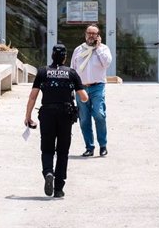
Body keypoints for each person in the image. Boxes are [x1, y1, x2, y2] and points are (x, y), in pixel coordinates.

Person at [24, 44, 88, 198]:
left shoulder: (43, 72)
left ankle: (48, 172)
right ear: (65, 57)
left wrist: (28, 116)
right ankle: (59, 188)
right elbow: (84, 97)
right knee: (62, 151)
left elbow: (33, 96)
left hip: (47, 113)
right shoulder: (71, 73)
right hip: (65, 114)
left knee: (47, 149)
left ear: (52, 56)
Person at [71, 24, 112, 157]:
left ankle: (103, 145)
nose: (91, 36)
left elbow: (107, 63)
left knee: (99, 114)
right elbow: (73, 69)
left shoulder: (104, 49)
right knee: (84, 119)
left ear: (98, 35)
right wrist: (72, 88)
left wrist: (98, 48)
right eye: (89, 33)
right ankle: (89, 147)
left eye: (94, 33)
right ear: (85, 34)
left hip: (97, 87)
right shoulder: (78, 50)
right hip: (81, 88)